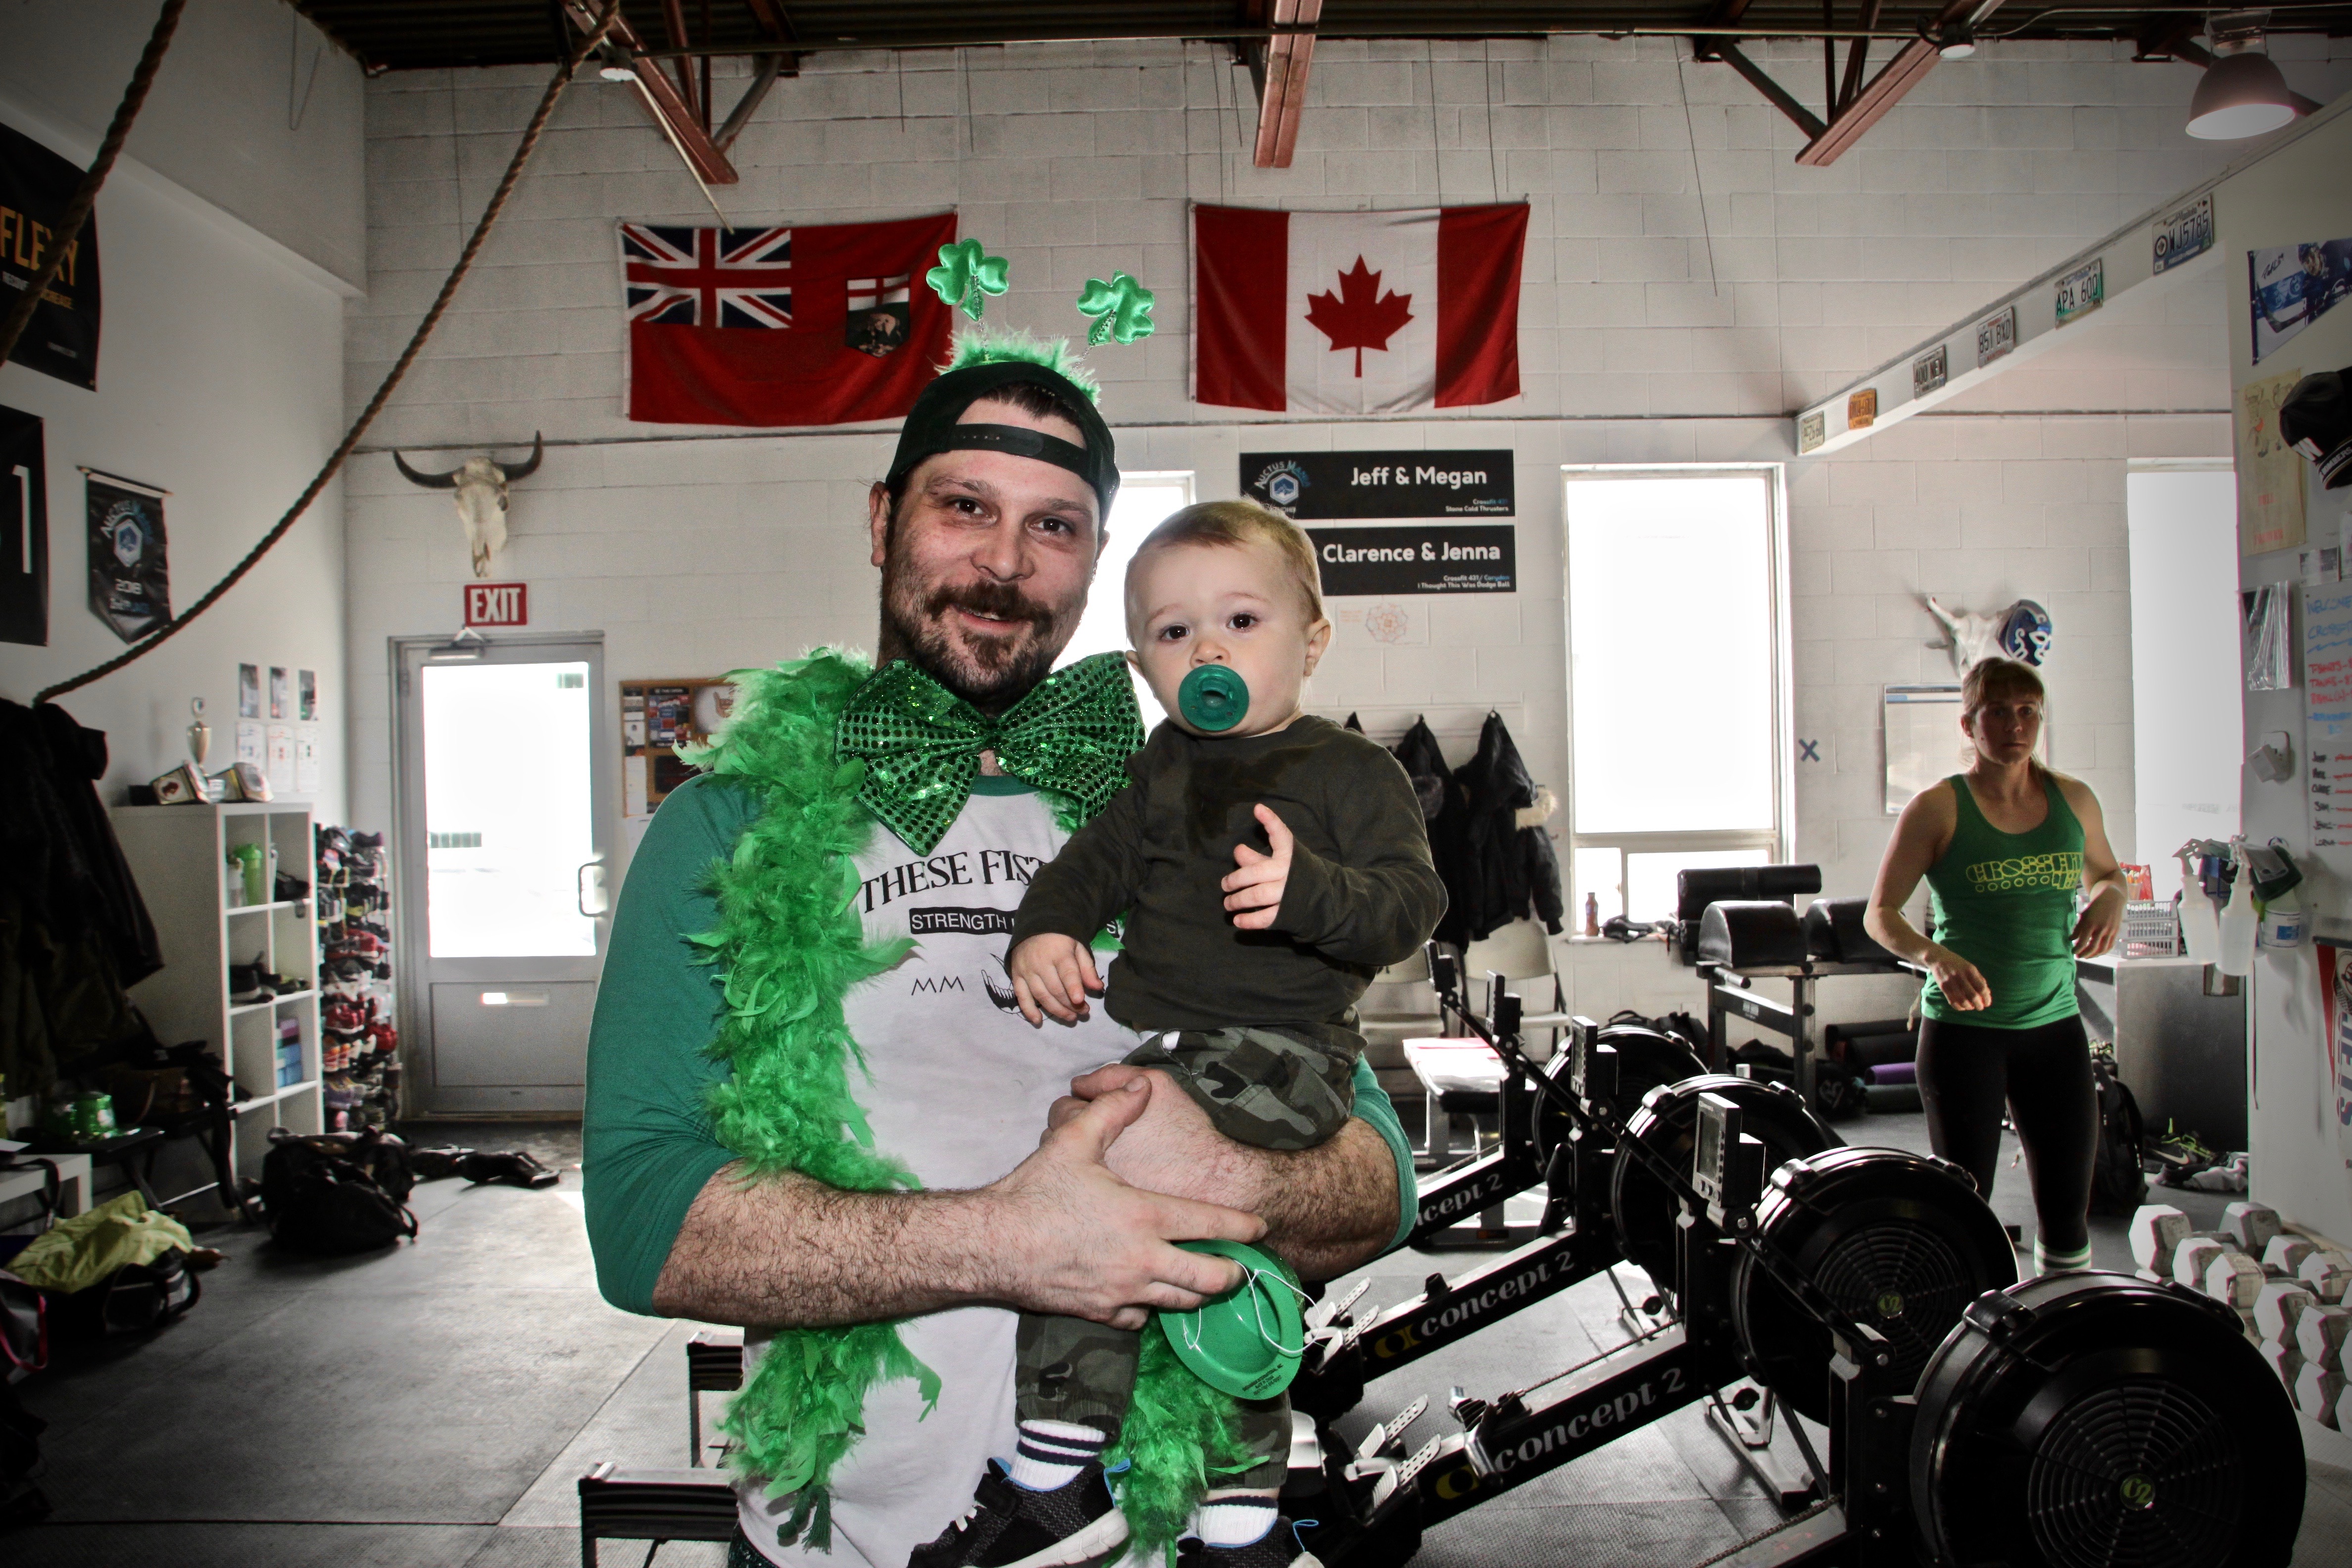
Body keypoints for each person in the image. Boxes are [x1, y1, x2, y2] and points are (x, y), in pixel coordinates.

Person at [581, 340, 1416, 1568]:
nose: (1005, 562)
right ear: (883, 520)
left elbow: (1380, 1179)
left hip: (1167, 1532)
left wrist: (1231, 1175)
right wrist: (1013, 1242)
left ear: (1098, 563)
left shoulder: (1207, 810)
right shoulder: (726, 825)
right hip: (843, 1542)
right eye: (964, 506)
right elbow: (640, 1216)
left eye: (1054, 526)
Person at [988, 501, 1445, 1567]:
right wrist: (1045, 928)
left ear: (1311, 641)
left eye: (1241, 621)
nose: (1208, 651)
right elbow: (1093, 864)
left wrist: (1311, 891)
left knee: (1094, 1177)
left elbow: (1411, 903)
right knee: (1208, 1260)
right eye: (1173, 631)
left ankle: (1053, 1474)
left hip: (1293, 1051)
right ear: (1143, 660)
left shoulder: (1350, 771)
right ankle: (1238, 1515)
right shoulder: (1165, 765)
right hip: (1180, 1048)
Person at [1863, 656, 2126, 1274]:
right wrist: (1935, 958)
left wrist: (2111, 897)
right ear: (1969, 724)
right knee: (1965, 1209)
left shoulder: (2074, 800)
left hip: (2055, 1028)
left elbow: (2110, 873)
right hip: (1964, 1035)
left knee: (2068, 1212)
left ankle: (2063, 1316)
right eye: (1999, 712)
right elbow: (1881, 914)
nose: (2016, 725)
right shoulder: (1937, 808)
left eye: (2028, 712)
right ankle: (1969, 1324)